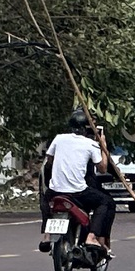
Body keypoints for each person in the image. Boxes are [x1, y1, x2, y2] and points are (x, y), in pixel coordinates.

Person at [44, 106, 115, 247]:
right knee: (106, 202)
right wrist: (103, 145)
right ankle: (92, 236)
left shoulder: (59, 139)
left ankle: (46, 236)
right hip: (78, 192)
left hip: (55, 190)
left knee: (45, 199)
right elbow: (102, 169)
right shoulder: (90, 144)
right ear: (86, 128)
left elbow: (49, 160)